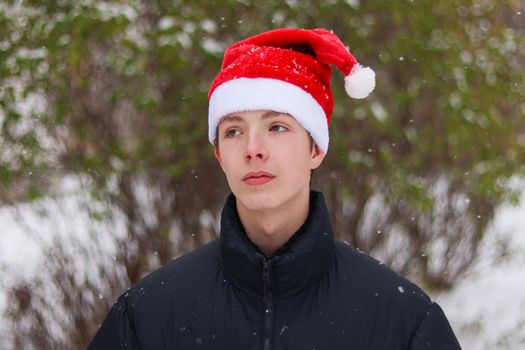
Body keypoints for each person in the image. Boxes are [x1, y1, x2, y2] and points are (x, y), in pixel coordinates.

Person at [88, 28, 461, 349]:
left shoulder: (401, 322)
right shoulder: (148, 317)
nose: (253, 149)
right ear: (220, 155)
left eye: (277, 127)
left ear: (315, 148)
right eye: (234, 131)